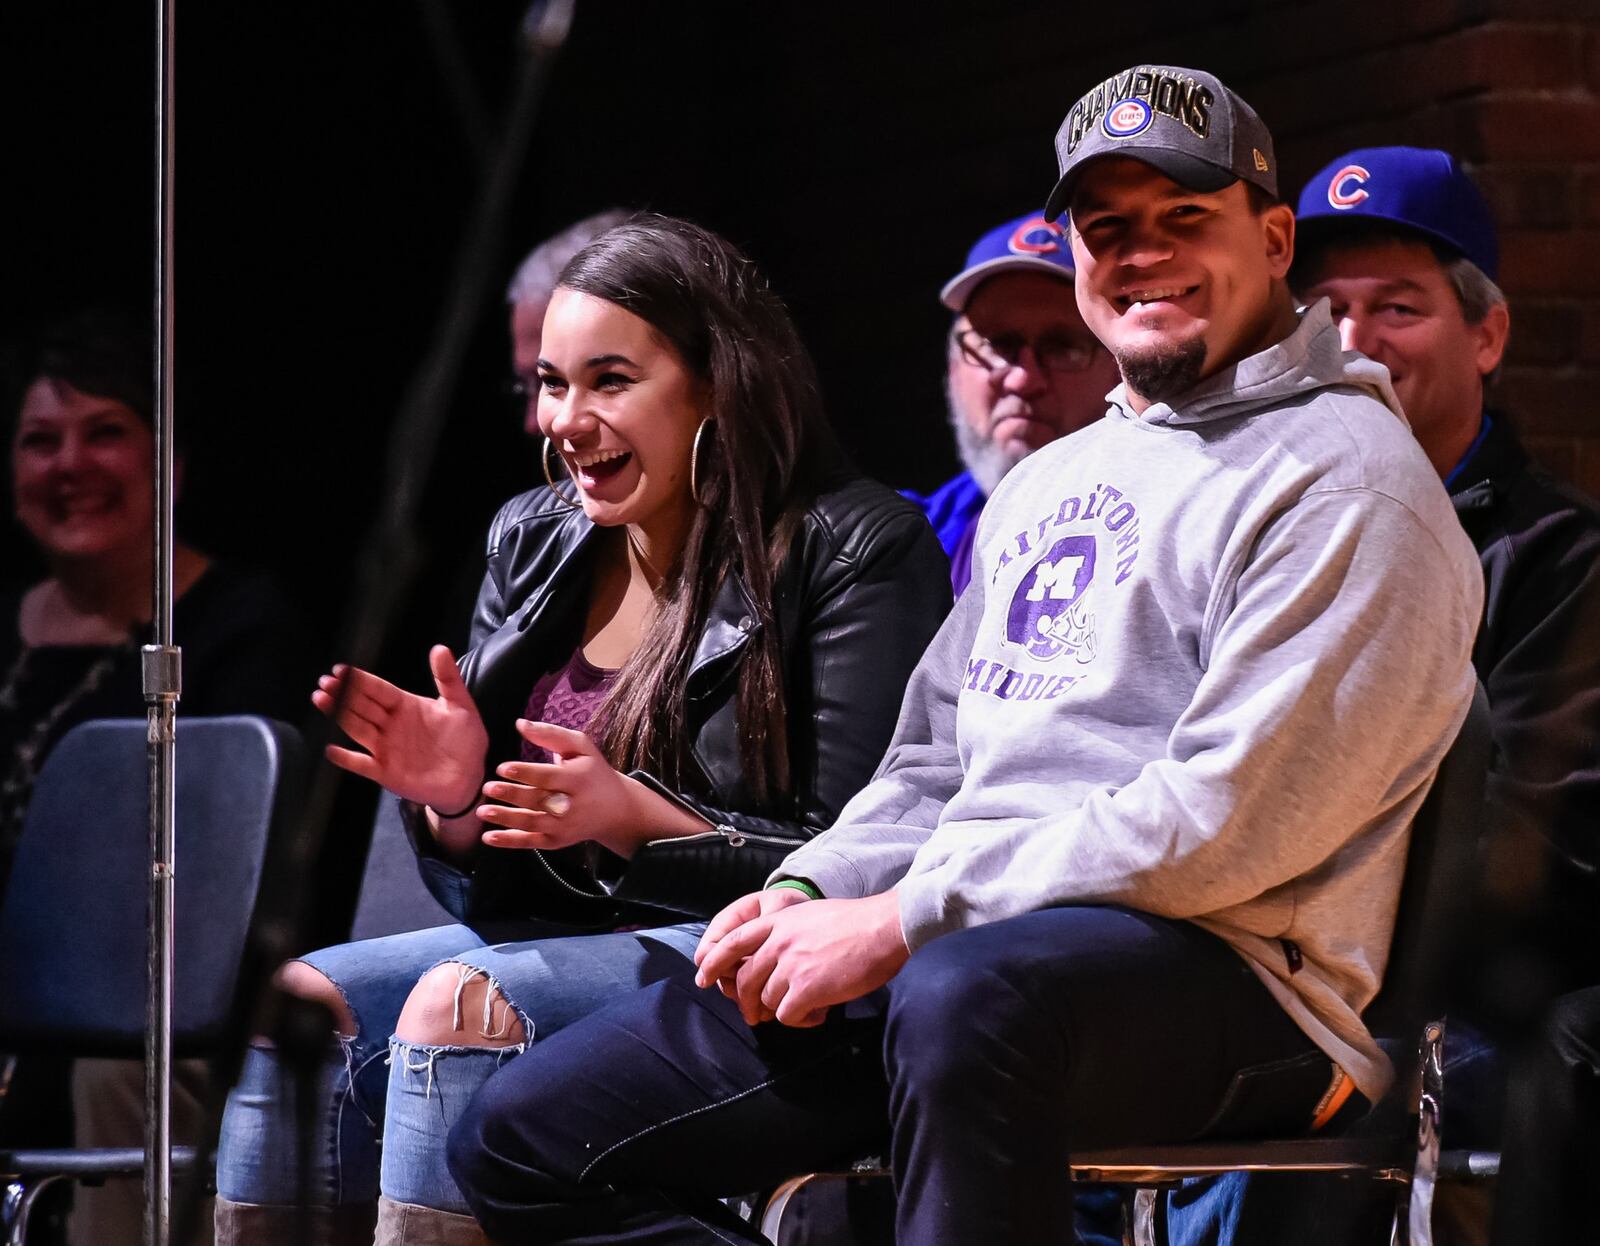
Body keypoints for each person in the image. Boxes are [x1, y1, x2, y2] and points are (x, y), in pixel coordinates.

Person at [444, 66, 1483, 1245]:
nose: (1141, 252)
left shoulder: (1347, 477)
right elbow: (932, 761)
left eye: (1184, 217)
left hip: (1242, 981)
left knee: (961, 1001)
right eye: (1108, 229)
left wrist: (903, 921)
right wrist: (811, 886)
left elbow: (1228, 817)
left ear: (1275, 234)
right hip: (970, 952)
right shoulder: (1050, 480)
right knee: (523, 1135)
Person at [211, 215, 951, 1246]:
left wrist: (636, 823)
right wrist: (460, 799)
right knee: (299, 1000)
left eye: (609, 380)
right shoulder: (535, 538)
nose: (565, 418)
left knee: (455, 1006)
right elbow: (496, 894)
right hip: (562, 945)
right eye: (552, 384)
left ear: (715, 382)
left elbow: (863, 850)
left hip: (748, 962)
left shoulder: (854, 546)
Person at [1166, 146, 1600, 1246]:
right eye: (1325, 305)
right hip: (1252, 963)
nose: (1353, 338)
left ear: (1487, 336)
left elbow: (1543, 849)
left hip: (1435, 999)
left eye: (1397, 306)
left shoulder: (1560, 556)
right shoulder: (1240, 521)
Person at [0, 309, 315, 1246]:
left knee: (120, 1056)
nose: (70, 466)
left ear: (166, 466)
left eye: (105, 433)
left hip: (166, 984)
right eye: (39, 441)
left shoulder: (239, 631)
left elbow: (207, 889)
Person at [905, 210, 1119, 592]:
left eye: (1063, 347)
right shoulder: (902, 544)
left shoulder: (1161, 534)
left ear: (1120, 371)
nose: (1023, 378)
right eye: (998, 345)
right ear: (953, 367)